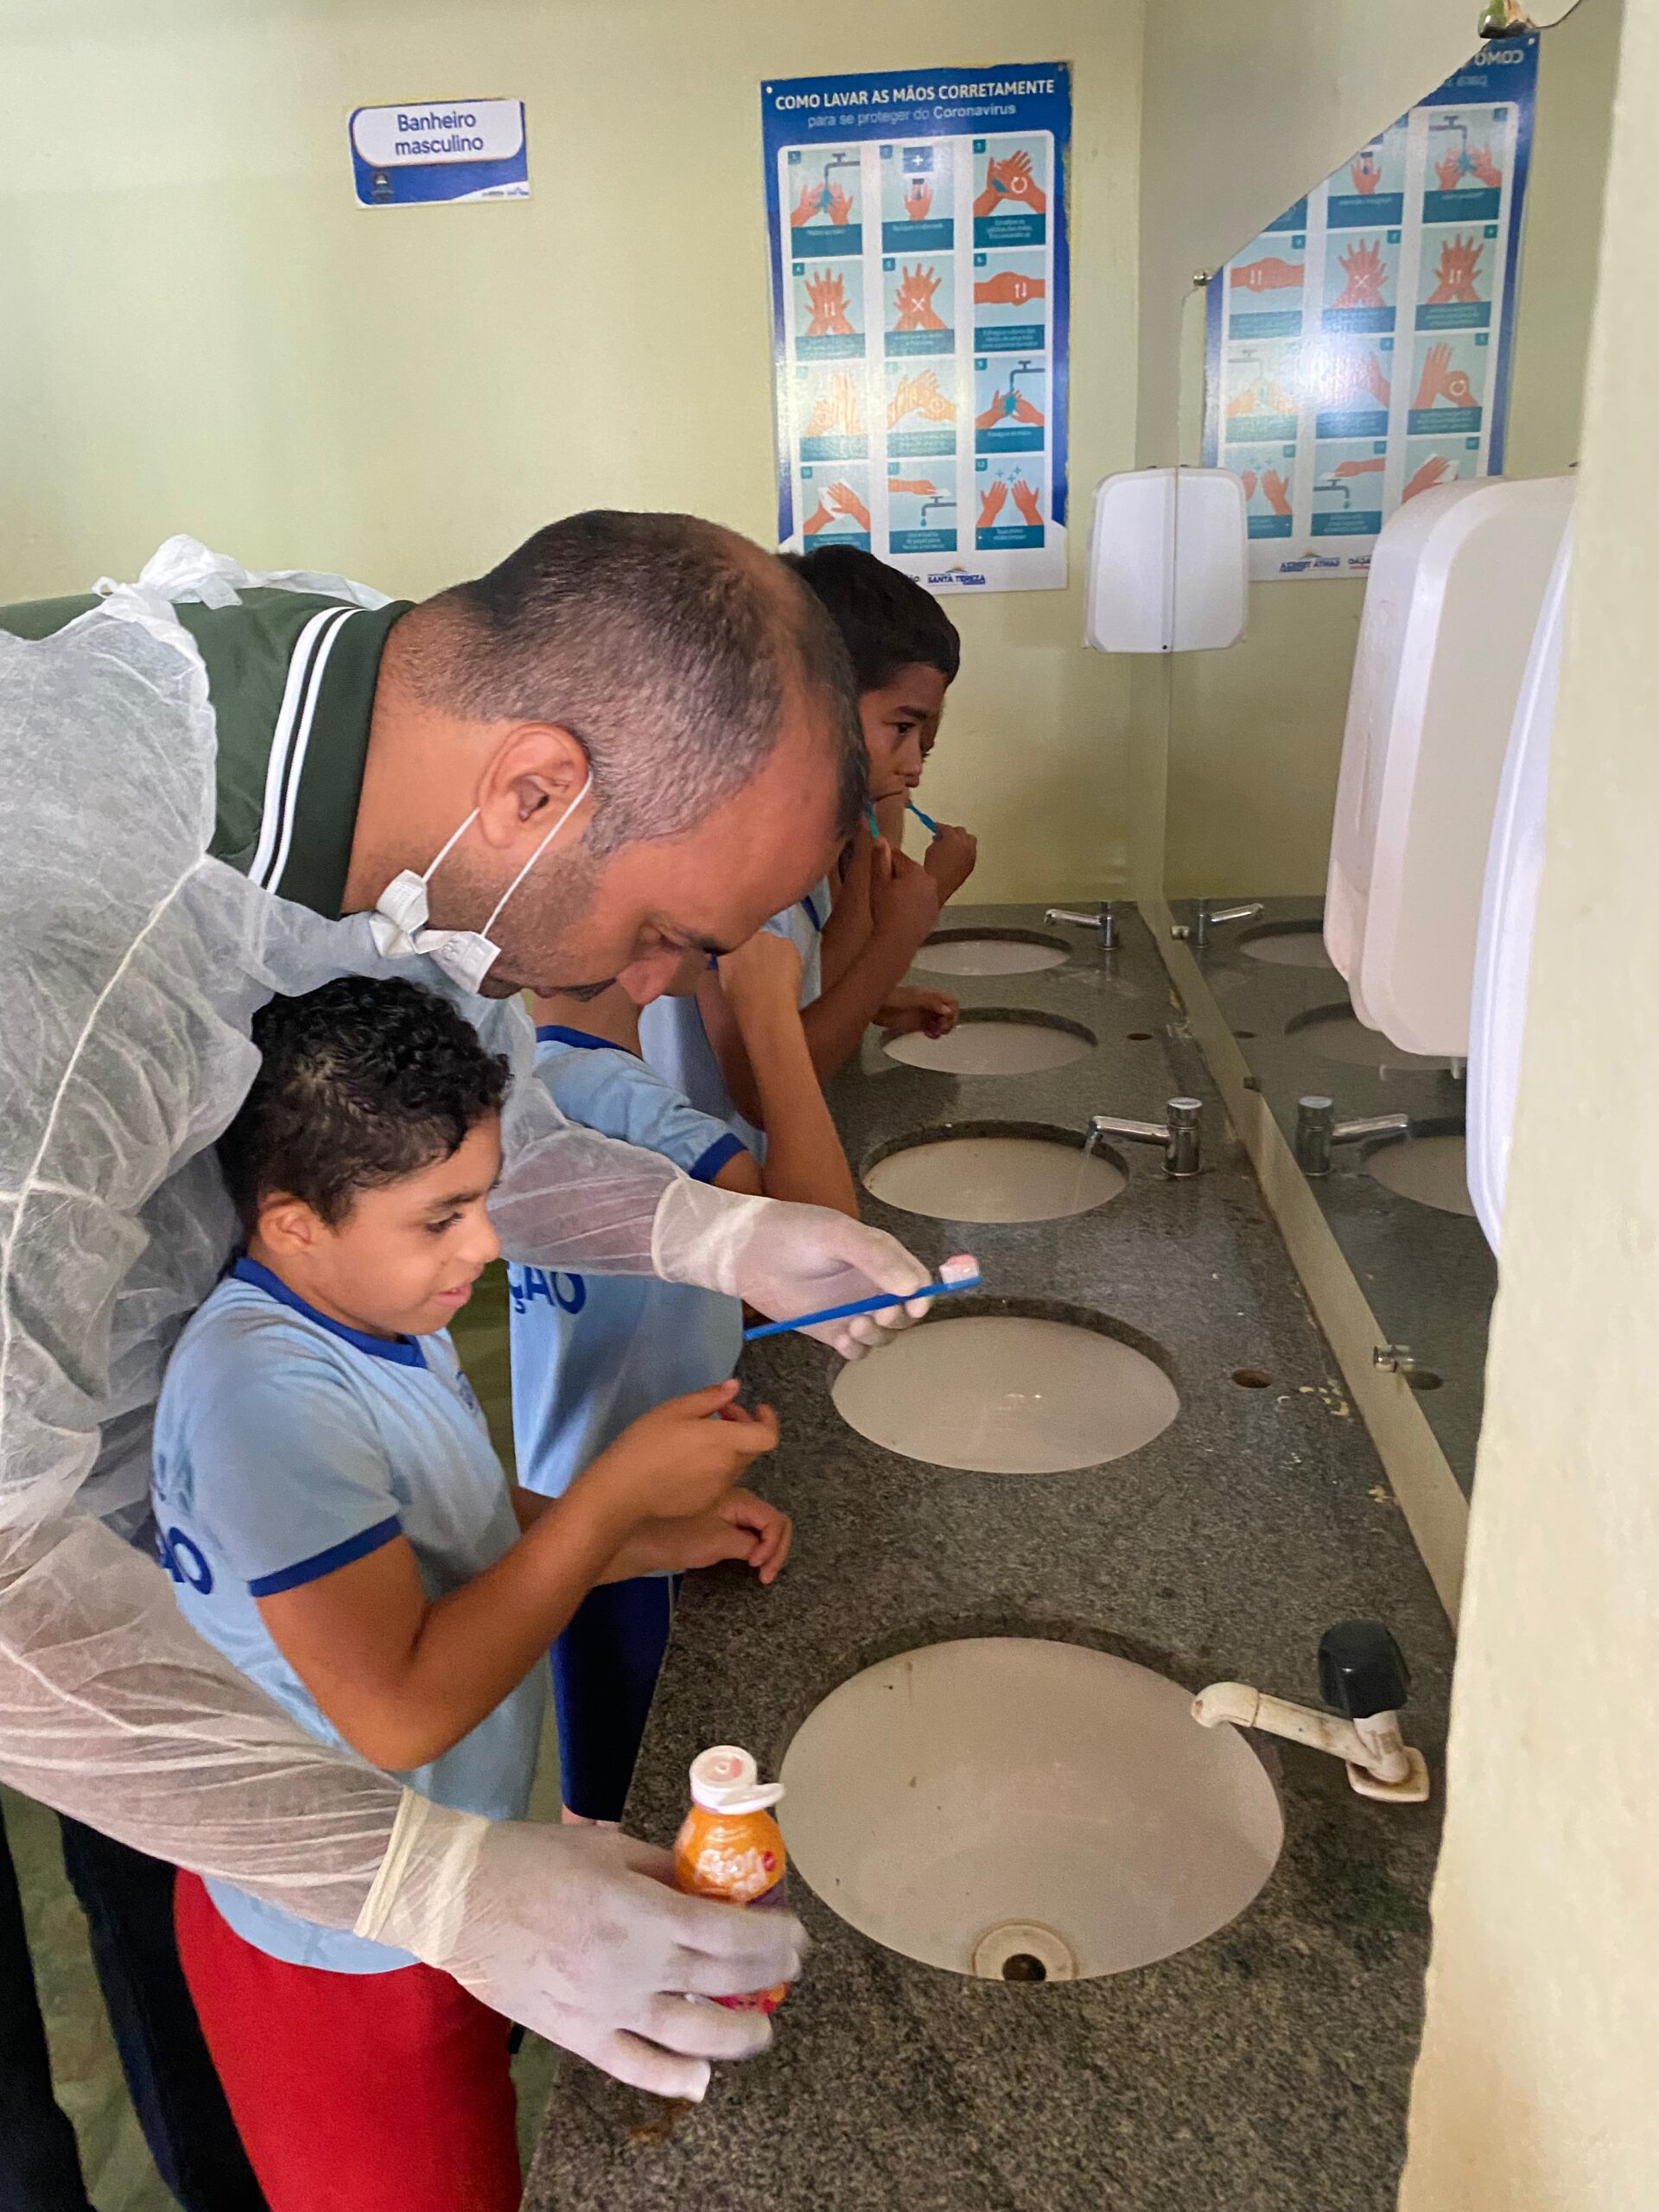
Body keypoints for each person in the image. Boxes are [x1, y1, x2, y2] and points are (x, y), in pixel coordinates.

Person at [0, 513, 938, 2132]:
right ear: (535, 791)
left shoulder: (419, 737)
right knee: (196, 1974)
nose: (657, 988)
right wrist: (429, 1886)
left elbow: (460, 1110)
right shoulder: (76, 945)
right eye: (661, 933)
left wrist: (723, 1232)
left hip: (169, 1506)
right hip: (67, 1562)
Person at [155, 976, 783, 2209]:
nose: (485, 1245)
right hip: (339, 1943)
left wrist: (657, 1534)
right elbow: (399, 1711)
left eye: (484, 1200)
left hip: (435, 1882)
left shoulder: (372, 1308)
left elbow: (459, 1532)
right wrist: (612, 1495)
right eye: (442, 1217)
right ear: (293, 1224)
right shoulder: (266, 1396)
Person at [512, 928, 856, 1826]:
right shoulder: (628, 1100)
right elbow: (831, 1263)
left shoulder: (528, 1083)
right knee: (649, 1798)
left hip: (563, 1477)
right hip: (652, 1502)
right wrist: (766, 1009)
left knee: (600, 1784)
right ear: (651, 957)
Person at [651, 544, 980, 1134]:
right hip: (704, 1172)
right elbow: (761, 1092)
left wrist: (878, 992)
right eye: (902, 727)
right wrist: (905, 931)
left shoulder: (812, 837)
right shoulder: (738, 858)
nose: (914, 767)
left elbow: (809, 985)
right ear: (816, 700)